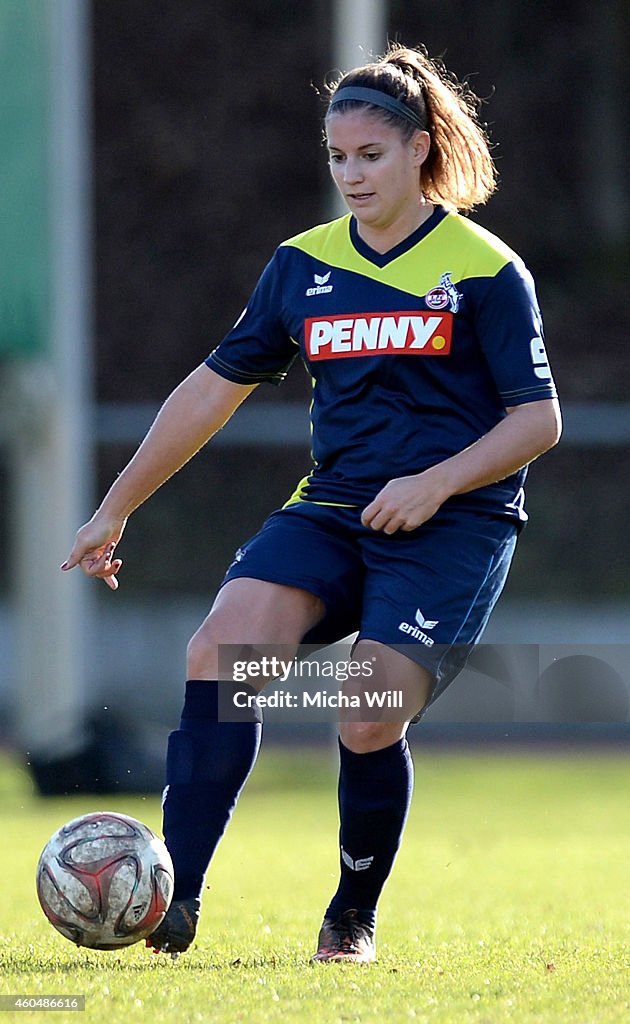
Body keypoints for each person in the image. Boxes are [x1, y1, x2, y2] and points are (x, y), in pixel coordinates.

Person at [62, 43, 561, 964]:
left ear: (419, 149)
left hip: (456, 522)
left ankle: (351, 915)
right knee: (221, 653)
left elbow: (538, 421)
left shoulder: (486, 269)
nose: (351, 174)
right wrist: (115, 507)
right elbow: (211, 390)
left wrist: (436, 481)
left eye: (370, 156)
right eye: (337, 158)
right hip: (332, 507)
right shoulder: (301, 266)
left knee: (367, 713)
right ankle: (175, 900)